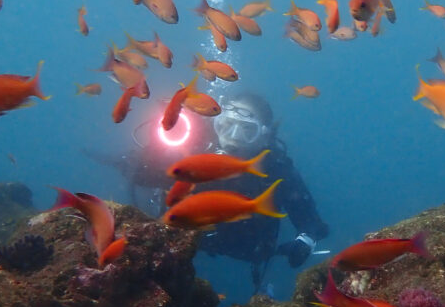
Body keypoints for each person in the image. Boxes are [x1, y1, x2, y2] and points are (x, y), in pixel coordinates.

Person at [99, 90, 329, 292]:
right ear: (216, 121)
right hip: (184, 237)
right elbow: (143, 175)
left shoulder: (277, 168)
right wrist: (149, 159)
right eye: (227, 124)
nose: (233, 136)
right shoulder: (193, 150)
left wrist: (304, 242)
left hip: (246, 248)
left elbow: (310, 220)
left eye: (247, 129)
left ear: (265, 135)